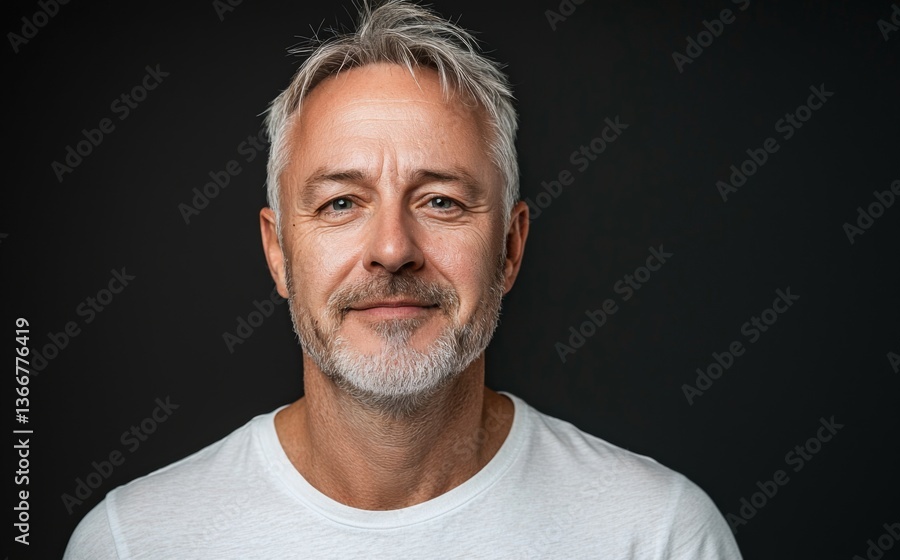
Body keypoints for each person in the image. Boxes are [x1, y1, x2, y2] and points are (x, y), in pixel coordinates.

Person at [64, 1, 741, 557]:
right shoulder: (133, 544)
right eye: (341, 203)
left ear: (510, 248)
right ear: (278, 253)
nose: (392, 249)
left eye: (441, 201)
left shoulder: (658, 536)